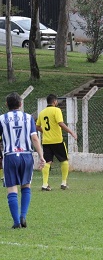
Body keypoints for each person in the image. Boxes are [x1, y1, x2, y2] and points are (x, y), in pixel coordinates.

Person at [0, 92, 46, 228]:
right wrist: (41, 156)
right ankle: (23, 215)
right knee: (26, 186)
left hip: (10, 156)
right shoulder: (28, 118)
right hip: (26, 155)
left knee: (12, 189)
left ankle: (16, 222)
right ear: (20, 104)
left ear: (6, 104)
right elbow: (34, 138)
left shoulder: (2, 119)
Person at [36, 94, 78, 191]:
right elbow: (60, 123)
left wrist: (45, 132)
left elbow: (37, 126)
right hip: (57, 140)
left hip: (46, 141)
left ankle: (45, 184)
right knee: (64, 160)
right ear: (54, 101)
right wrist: (71, 132)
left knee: (47, 162)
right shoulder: (57, 110)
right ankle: (63, 183)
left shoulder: (42, 112)